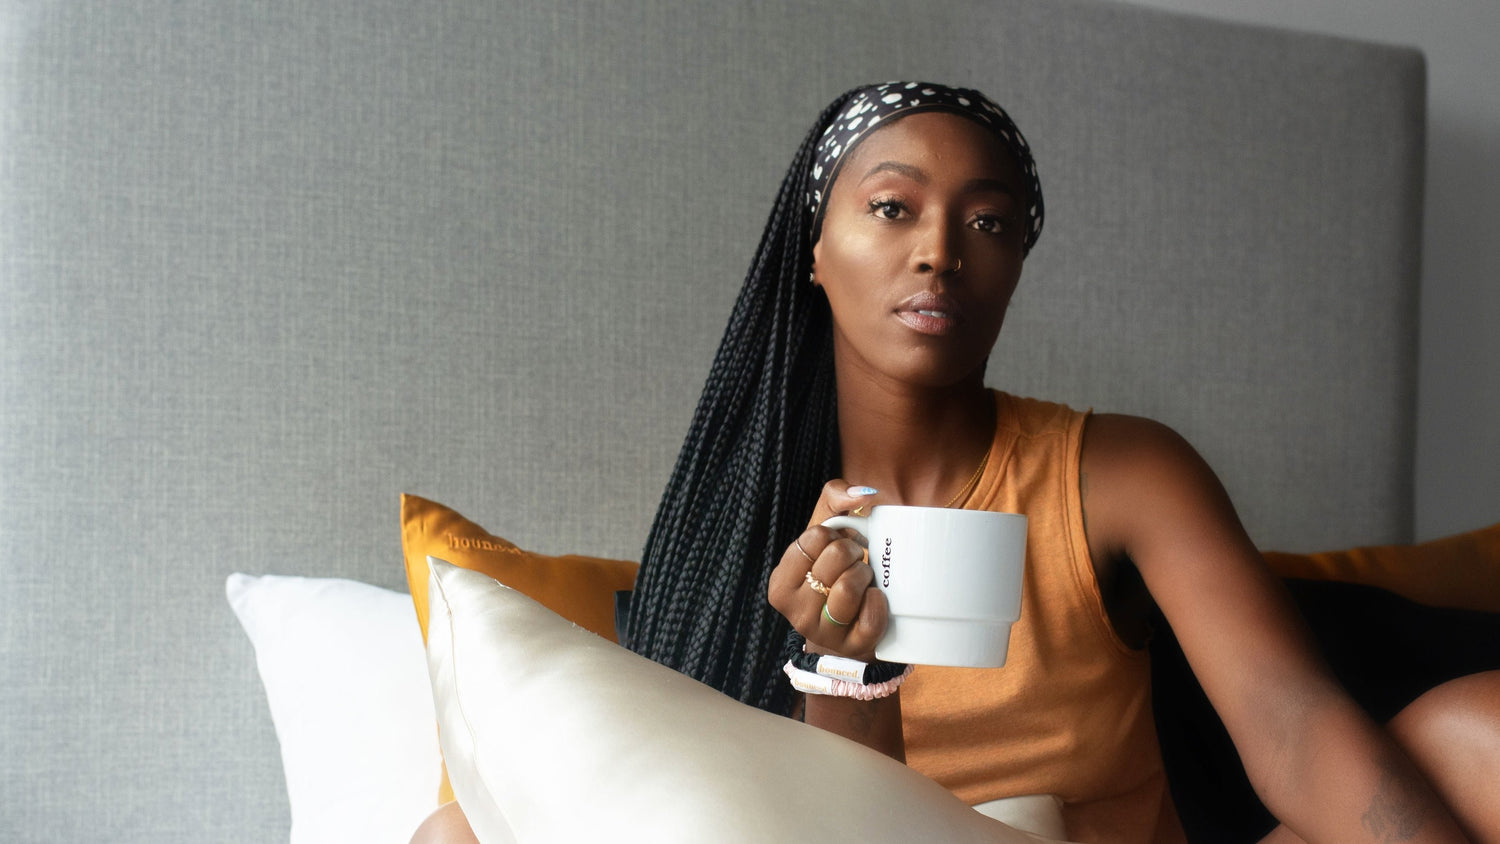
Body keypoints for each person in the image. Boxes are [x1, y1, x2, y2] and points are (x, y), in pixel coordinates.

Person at [414, 83, 1499, 843]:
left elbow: (1293, 725)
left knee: (1475, 728)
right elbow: (846, 825)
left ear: (1019, 259)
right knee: (452, 829)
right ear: (815, 248)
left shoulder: (1117, 470)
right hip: (874, 832)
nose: (941, 249)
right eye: (892, 209)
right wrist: (847, 664)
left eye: (990, 221)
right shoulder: (742, 533)